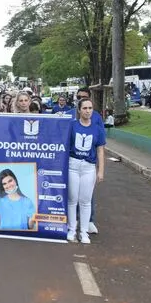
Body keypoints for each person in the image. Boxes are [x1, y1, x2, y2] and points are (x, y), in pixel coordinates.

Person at [66, 98, 106, 243]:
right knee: (72, 199)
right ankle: (71, 229)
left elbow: (100, 150)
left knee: (85, 200)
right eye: (85, 108)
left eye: (90, 108)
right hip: (73, 165)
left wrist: (101, 171)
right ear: (79, 110)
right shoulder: (72, 126)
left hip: (89, 167)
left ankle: (83, 232)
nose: (88, 111)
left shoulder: (97, 129)